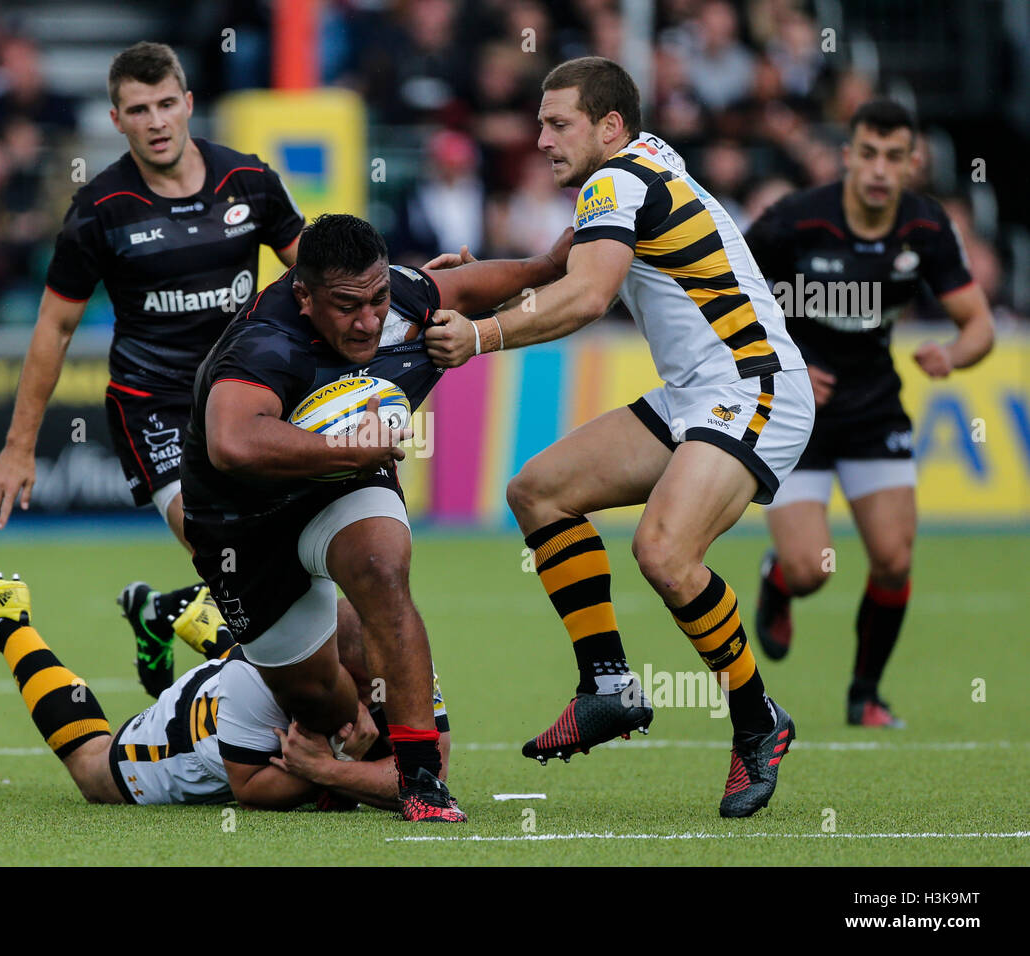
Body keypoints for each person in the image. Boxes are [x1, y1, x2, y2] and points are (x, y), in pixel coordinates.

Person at [426, 57, 813, 818]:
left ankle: (757, 720)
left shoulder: (617, 181)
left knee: (666, 554)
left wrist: (478, 336)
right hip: (695, 395)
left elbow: (588, 295)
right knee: (538, 492)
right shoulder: (642, 163)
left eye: (557, 122)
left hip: (753, 387)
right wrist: (477, 284)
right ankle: (606, 685)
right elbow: (552, 267)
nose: (539, 139)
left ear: (609, 126)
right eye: (540, 122)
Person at [183, 213, 570, 821]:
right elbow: (230, 442)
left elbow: (468, 287)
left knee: (383, 571)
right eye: (347, 307)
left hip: (344, 482)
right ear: (304, 295)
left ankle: (418, 779)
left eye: (379, 299)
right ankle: (214, 637)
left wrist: (549, 265)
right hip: (245, 527)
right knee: (322, 703)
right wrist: (350, 450)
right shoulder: (263, 345)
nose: (368, 321)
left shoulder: (393, 295)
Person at [0, 41, 304, 682]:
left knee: (280, 557)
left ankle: (163, 615)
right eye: (138, 109)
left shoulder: (250, 182)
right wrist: (19, 447)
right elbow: (54, 330)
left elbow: (321, 277)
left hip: (240, 395)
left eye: (164, 105)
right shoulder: (98, 212)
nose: (155, 121)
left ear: (187, 105)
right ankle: (259, 694)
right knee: (220, 549)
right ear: (116, 120)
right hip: (152, 405)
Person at [744, 99, 994, 727]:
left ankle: (866, 695)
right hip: (796, 414)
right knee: (811, 571)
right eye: (870, 154)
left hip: (875, 410)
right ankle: (779, 581)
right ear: (848, 156)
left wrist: (955, 355)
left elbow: (979, 325)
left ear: (913, 163)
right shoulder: (794, 223)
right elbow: (727, 297)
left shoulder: (926, 227)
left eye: (896, 157)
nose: (881, 169)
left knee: (894, 557)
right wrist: (789, 366)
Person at [0, 573, 450, 810]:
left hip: (254, 665)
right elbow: (250, 789)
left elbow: (433, 774)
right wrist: (334, 773)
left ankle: (177, 613)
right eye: (365, 691)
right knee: (94, 769)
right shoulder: (260, 682)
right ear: (332, 672)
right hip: (198, 729)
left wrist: (331, 770)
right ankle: (6, 620)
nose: (383, 699)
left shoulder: (405, 656)